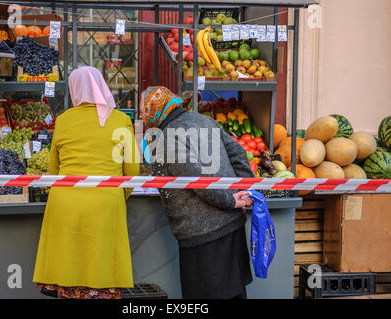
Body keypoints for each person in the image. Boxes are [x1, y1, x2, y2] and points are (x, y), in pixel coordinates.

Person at [33, 66, 140, 299]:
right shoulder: (121, 120)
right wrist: (117, 196)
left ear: (74, 89)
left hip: (65, 201)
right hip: (105, 201)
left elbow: (53, 170)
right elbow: (132, 170)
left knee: (70, 266)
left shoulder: (63, 120)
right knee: (101, 266)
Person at [140, 86, 254, 299]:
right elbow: (238, 152)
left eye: (144, 112)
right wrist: (244, 191)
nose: (142, 117)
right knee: (235, 294)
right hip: (232, 228)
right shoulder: (204, 121)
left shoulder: (166, 139)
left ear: (152, 113)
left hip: (204, 237)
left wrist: (230, 200)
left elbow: (197, 181)